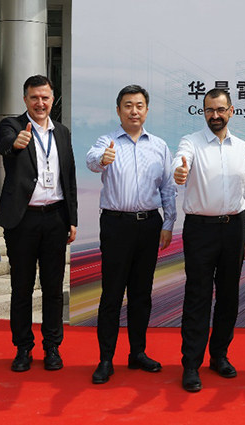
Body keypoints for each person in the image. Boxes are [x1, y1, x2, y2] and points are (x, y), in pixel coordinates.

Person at [85, 85, 177, 384]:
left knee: (141, 294)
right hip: (116, 225)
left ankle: (137, 352)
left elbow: (167, 187)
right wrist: (104, 158)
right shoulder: (107, 141)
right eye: (128, 105)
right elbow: (91, 160)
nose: (134, 111)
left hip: (149, 225)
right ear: (118, 110)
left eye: (139, 105)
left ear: (146, 110)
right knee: (112, 294)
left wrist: (168, 223)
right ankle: (105, 359)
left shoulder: (159, 146)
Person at [174, 88, 245, 392]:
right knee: (197, 296)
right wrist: (179, 171)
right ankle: (191, 364)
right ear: (203, 112)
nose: (215, 115)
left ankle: (219, 355)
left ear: (231, 111)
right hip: (200, 229)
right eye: (210, 110)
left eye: (221, 109)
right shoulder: (191, 142)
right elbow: (180, 161)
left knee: (228, 296)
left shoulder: (243, 148)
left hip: (234, 228)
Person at [0, 75, 77, 373]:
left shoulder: (63, 132)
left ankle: (52, 347)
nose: (40, 103)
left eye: (45, 97)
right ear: (25, 99)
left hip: (55, 218)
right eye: (34, 97)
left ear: (52, 99)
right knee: (22, 287)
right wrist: (16, 144)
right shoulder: (12, 126)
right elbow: (6, 145)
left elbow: (69, 177)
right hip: (23, 220)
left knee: (53, 288)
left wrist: (72, 219)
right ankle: (23, 348)